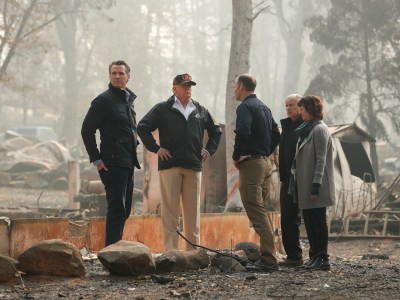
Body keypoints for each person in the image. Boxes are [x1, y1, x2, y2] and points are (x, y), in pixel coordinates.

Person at [137, 73, 222, 251]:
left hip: (194, 167)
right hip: (170, 167)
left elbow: (216, 131)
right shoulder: (162, 109)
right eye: (184, 86)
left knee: (193, 214)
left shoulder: (200, 110)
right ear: (174, 88)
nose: (188, 88)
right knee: (170, 213)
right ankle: (172, 253)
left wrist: (208, 150)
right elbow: (142, 127)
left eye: (190, 85)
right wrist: (157, 149)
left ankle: (193, 253)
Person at [81, 60, 141, 246]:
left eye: (121, 73)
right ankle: (112, 252)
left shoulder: (128, 101)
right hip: (112, 162)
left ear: (128, 77)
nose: (117, 76)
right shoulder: (103, 101)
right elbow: (87, 130)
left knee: (125, 210)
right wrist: (97, 159)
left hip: (127, 161)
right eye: (114, 73)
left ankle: (117, 247)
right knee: (116, 208)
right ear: (109, 76)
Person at [232, 74, 281, 272]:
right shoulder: (264, 107)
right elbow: (277, 134)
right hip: (265, 163)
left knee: (256, 210)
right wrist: (264, 151)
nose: (234, 89)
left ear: (242, 86)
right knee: (262, 211)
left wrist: (238, 155)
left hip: (252, 164)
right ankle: (267, 255)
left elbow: (243, 130)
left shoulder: (245, 107)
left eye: (235, 85)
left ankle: (269, 260)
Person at [290, 95, 336, 270]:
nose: (300, 112)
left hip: (316, 186)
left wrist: (316, 184)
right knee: (309, 221)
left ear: (311, 109)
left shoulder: (319, 130)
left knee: (318, 221)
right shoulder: (307, 129)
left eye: (302, 109)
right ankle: (314, 256)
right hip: (306, 185)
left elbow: (321, 159)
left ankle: (323, 258)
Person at [278, 94, 304, 267]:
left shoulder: (306, 126)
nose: (288, 108)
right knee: (287, 218)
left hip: (302, 178)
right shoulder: (286, 126)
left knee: (309, 218)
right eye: (286, 105)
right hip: (287, 180)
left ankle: (317, 256)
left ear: (300, 107)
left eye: (292, 105)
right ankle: (293, 256)